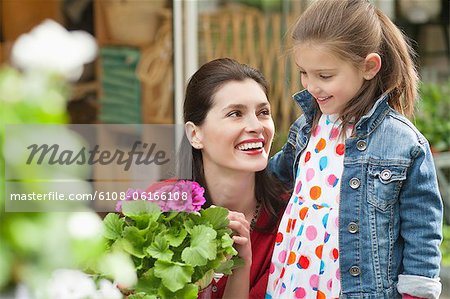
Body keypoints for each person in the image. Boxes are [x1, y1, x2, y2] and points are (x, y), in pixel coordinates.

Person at [265, 0, 443, 298]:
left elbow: (422, 229)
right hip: (294, 283)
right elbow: (272, 181)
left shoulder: (402, 142)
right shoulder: (307, 127)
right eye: (304, 73)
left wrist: (416, 293)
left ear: (369, 67)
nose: (310, 86)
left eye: (324, 76)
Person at [182, 58, 287, 298]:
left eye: (263, 112)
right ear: (195, 134)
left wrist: (242, 265)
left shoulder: (292, 222)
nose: (256, 126)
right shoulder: (162, 207)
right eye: (235, 114)